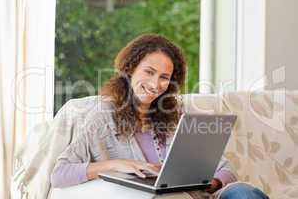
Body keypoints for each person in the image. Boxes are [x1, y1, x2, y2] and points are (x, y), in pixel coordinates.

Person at [50, 34, 269, 199]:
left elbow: (227, 169)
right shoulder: (103, 116)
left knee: (244, 192)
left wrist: (208, 183)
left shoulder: (176, 116)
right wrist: (115, 164)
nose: (156, 84)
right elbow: (59, 174)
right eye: (149, 72)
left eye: (164, 77)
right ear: (130, 69)